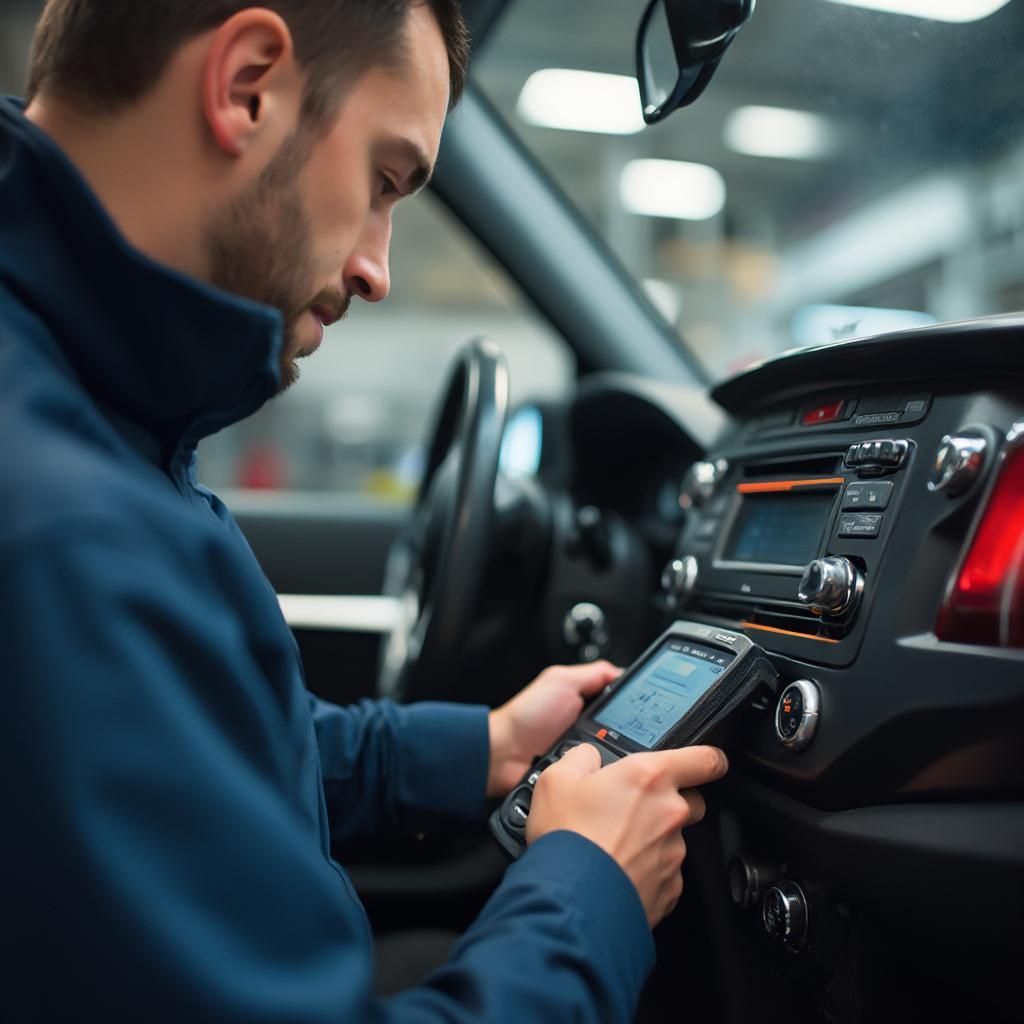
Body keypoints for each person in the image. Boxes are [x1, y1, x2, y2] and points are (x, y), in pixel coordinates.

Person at [0, 1, 729, 1020]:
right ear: (247, 82)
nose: (375, 268)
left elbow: (196, 754)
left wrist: (482, 746)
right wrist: (589, 888)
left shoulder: (88, 408)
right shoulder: (68, 545)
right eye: (385, 182)